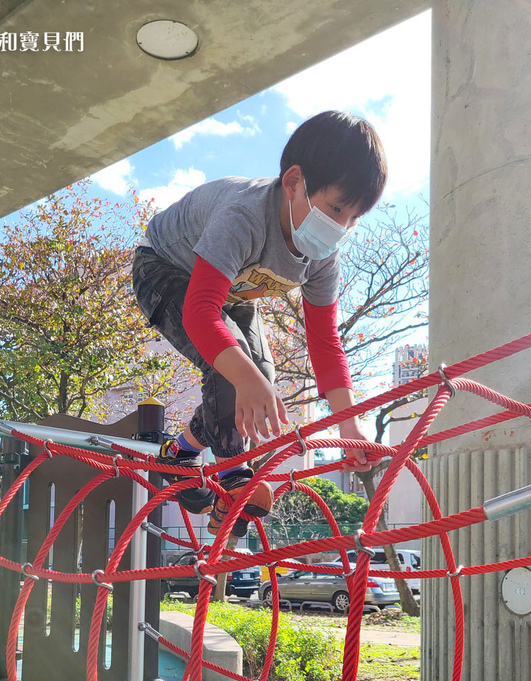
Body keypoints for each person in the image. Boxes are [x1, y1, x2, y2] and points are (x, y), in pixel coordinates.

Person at [132, 110, 387, 538]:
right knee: (236, 369)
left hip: (233, 293)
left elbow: (324, 342)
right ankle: (235, 476)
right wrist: (242, 375)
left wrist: (349, 422)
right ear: (293, 183)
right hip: (165, 269)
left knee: (260, 376)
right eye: (336, 208)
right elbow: (199, 312)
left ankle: (179, 452)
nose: (340, 227)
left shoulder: (323, 256)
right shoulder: (244, 217)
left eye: (353, 217)